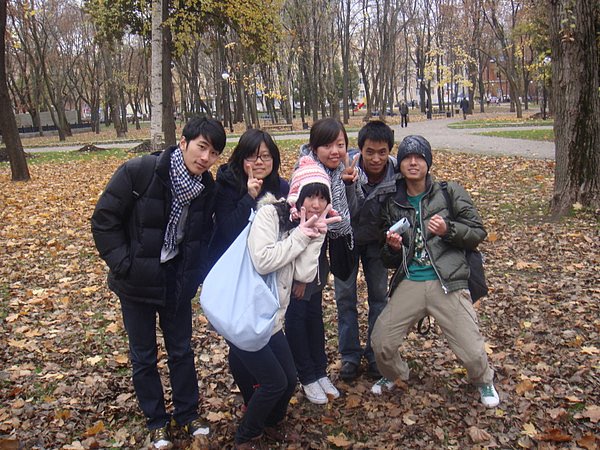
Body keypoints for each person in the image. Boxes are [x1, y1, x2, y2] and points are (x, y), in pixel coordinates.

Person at [91, 117, 226, 449]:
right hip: (136, 282)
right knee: (143, 355)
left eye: (214, 153)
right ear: (183, 142)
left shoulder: (206, 189)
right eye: (201, 147)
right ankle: (156, 421)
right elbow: (104, 219)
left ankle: (187, 413)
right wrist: (124, 264)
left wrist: (195, 273)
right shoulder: (140, 171)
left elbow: (203, 236)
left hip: (176, 280)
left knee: (181, 350)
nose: (206, 158)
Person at [370, 135, 500, 409]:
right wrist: (393, 247)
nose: (413, 162)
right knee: (381, 342)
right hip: (411, 281)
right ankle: (395, 374)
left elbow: (477, 232)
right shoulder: (392, 203)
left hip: (447, 282)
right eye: (407, 158)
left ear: (428, 163)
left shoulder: (449, 192)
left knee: (473, 353)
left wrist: (448, 229)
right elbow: (388, 259)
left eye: (419, 157)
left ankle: (483, 379)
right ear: (400, 164)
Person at [230, 157, 341, 449]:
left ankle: (272, 423)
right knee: (274, 383)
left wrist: (315, 237)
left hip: (273, 315)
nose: (316, 204)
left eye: (322, 198)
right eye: (311, 196)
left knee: (290, 380)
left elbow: (303, 275)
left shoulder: (306, 225)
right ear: (297, 195)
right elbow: (263, 260)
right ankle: (246, 435)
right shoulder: (271, 214)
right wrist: (301, 236)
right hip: (248, 312)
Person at [208, 128, 289, 409]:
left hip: (267, 273)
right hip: (235, 274)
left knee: (263, 330)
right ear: (241, 159)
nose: (259, 162)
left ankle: (265, 389)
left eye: (265, 156)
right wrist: (249, 197)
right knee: (240, 336)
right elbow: (227, 230)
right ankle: (250, 395)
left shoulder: (280, 187)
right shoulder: (227, 184)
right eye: (252, 156)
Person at [288, 117, 363, 404]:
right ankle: (306, 375)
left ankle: (319, 371)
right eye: (328, 145)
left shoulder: (340, 173)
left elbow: (347, 215)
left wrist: (349, 184)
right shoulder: (307, 174)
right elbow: (298, 220)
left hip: (319, 256)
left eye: (340, 145)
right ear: (314, 147)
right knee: (298, 315)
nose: (335, 151)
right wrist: (299, 275)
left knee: (314, 314)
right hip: (300, 257)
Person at [336, 120, 398, 382]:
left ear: (389, 151)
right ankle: (349, 355)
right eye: (369, 152)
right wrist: (347, 183)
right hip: (345, 240)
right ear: (360, 149)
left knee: (379, 298)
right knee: (345, 298)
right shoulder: (345, 166)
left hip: (377, 242)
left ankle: (375, 353)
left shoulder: (397, 171)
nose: (376, 159)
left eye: (382, 152)